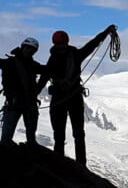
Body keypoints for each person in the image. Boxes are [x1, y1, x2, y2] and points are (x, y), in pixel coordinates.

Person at [37, 25, 117, 165]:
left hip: (59, 99)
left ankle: (59, 164)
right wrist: (106, 32)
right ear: (67, 41)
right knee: (78, 134)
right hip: (74, 97)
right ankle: (81, 165)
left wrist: (31, 96)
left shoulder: (52, 59)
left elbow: (43, 80)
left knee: (59, 135)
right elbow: (92, 44)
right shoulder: (75, 55)